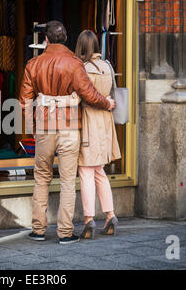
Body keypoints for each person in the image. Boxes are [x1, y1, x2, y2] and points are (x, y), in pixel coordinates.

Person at [19, 21, 115, 244]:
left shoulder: (33, 64)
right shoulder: (74, 63)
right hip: (70, 128)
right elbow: (89, 94)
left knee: (41, 178)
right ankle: (64, 233)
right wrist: (107, 103)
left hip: (44, 127)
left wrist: (31, 128)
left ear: (46, 40)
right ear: (65, 39)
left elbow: (25, 100)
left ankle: (38, 230)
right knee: (67, 181)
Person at [75, 30, 121, 239]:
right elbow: (110, 95)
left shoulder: (83, 69)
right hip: (105, 123)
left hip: (89, 121)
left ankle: (88, 219)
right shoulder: (107, 66)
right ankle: (110, 215)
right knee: (100, 171)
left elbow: (83, 97)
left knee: (85, 170)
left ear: (82, 47)